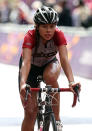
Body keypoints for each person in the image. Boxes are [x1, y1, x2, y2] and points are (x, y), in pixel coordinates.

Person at [18, 6, 80, 131]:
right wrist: (23, 84)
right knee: (30, 113)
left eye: (52, 26)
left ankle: (57, 120)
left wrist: (71, 82)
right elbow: (26, 61)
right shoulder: (30, 36)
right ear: (37, 26)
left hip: (50, 64)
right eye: (44, 26)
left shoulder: (59, 34)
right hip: (30, 68)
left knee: (50, 77)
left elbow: (64, 59)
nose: (48, 30)